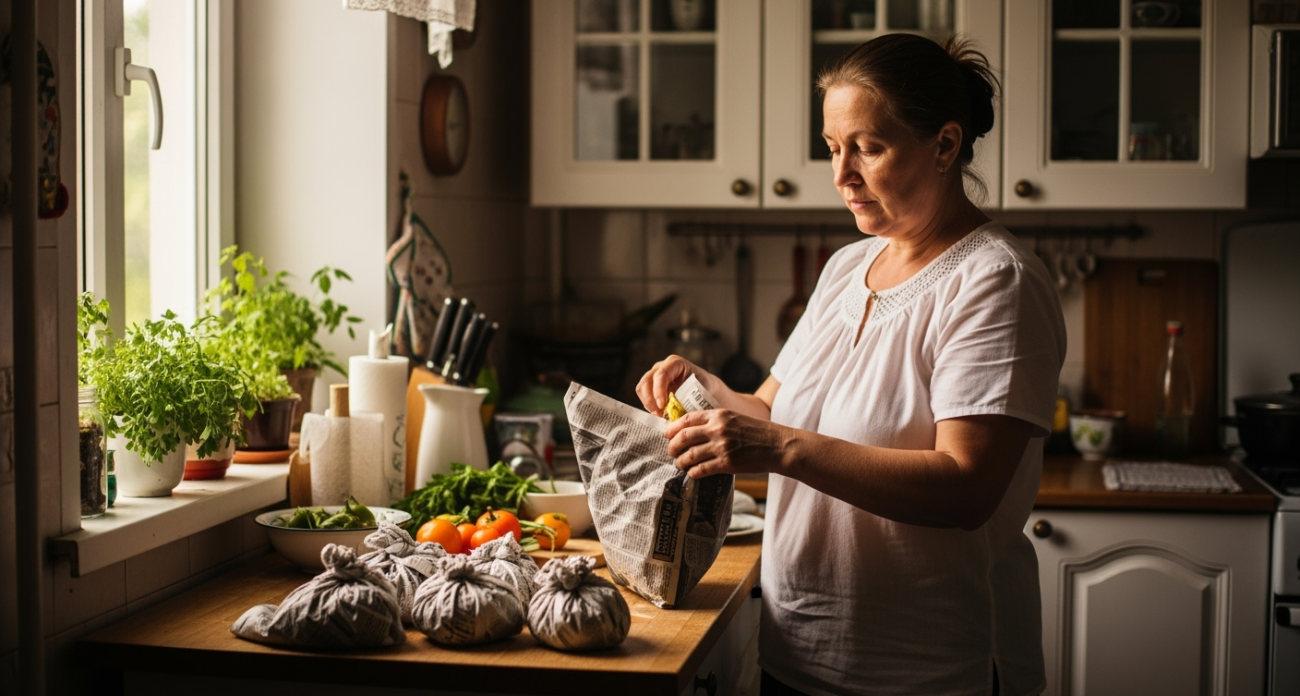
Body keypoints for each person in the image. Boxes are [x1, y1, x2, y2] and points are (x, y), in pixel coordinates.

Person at [636, 34, 1065, 696]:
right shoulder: (847, 268)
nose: (841, 175)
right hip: (800, 647)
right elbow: (773, 412)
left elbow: (966, 487)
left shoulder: (994, 280)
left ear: (945, 146)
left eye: (868, 147)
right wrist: (706, 393)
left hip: (933, 669)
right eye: (834, 148)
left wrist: (776, 446)